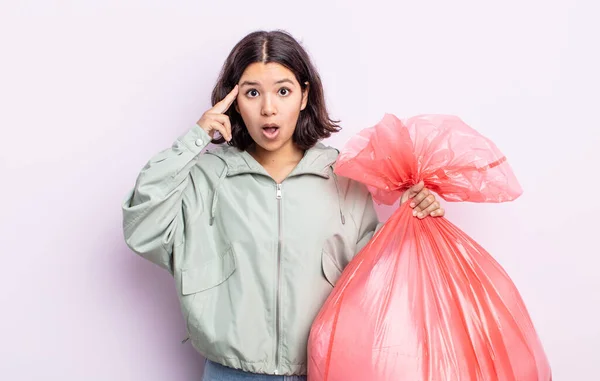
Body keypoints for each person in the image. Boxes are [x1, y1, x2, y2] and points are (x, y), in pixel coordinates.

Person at [122, 30, 445, 381]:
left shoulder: (342, 177)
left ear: (304, 96)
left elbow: (372, 274)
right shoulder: (206, 177)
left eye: (283, 90)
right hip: (230, 374)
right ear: (232, 101)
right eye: (252, 92)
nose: (268, 108)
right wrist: (195, 138)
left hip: (324, 371)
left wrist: (411, 219)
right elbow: (142, 226)